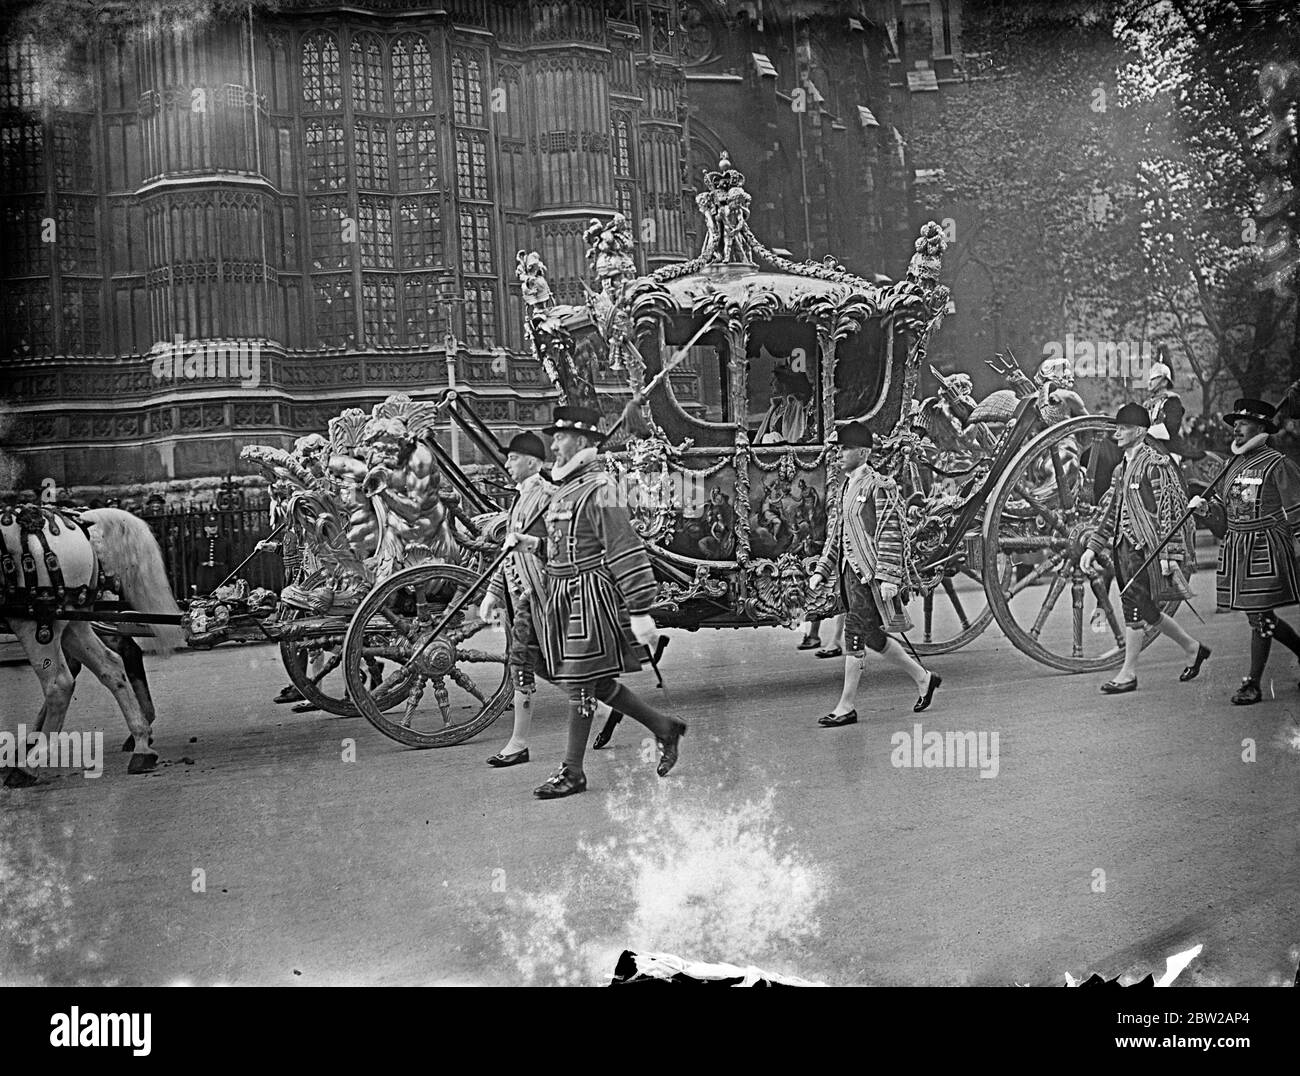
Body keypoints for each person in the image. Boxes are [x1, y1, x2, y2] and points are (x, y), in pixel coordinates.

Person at [510, 405, 686, 798]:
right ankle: (665, 727)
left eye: (560, 437)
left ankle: (572, 771)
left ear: (583, 442)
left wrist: (640, 609)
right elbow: (563, 546)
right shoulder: (566, 489)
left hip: (589, 598)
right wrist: (533, 544)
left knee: (579, 684)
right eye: (553, 437)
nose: (553, 445)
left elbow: (625, 550)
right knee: (594, 681)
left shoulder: (603, 489)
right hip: (561, 598)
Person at [478, 429, 622, 767]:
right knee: (543, 664)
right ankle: (605, 709)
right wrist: (493, 592)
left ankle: (519, 743)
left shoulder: (547, 497)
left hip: (543, 595)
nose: (507, 464)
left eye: (513, 458)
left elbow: (558, 549)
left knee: (522, 662)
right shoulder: (518, 497)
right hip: (523, 595)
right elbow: (508, 555)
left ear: (532, 462)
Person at [808, 422, 941, 724]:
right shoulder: (846, 486)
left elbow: (891, 533)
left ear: (864, 452)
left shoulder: (879, 486)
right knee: (871, 637)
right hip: (849, 576)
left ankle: (846, 706)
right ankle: (924, 678)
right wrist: (822, 570)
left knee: (854, 633)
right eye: (838, 449)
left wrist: (890, 578)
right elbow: (837, 536)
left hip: (870, 576)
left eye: (845, 449)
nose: (839, 454)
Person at [1081, 403, 1209, 693]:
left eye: (1123, 429)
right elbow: (1112, 512)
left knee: (1133, 606)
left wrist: (1167, 556)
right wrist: (1093, 546)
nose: (1117, 434)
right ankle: (1193, 648)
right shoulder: (1120, 468)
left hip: (1146, 549)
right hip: (1123, 549)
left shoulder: (1155, 464)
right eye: (1117, 428)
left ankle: (1128, 673)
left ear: (1139, 431)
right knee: (1146, 609)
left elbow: (1167, 513)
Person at [1188, 398, 1300, 705]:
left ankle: (1253, 683)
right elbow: (1225, 518)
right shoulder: (1231, 465)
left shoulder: (1278, 464)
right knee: (1260, 616)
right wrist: (1206, 509)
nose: (1236, 429)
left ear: (1261, 427)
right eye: (1235, 425)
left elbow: (1298, 510)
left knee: (1259, 616)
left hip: (1266, 546)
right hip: (1237, 547)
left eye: (1243, 424)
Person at [1144, 356, 1186, 458]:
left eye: (1154, 378)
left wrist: (1144, 434)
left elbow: (1171, 429)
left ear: (1164, 381)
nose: (1150, 382)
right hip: (1149, 447)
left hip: (1168, 449)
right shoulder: (1149, 403)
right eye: (1150, 378)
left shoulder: (1172, 401)